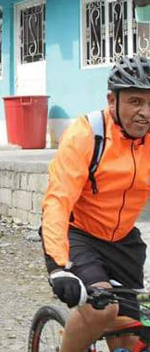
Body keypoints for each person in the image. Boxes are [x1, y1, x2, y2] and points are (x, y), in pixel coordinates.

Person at [41, 55, 150, 352]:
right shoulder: (87, 134)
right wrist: (59, 267)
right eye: (136, 101)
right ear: (112, 100)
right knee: (103, 309)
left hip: (125, 242)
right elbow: (57, 201)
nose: (145, 113)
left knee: (139, 331)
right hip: (81, 237)